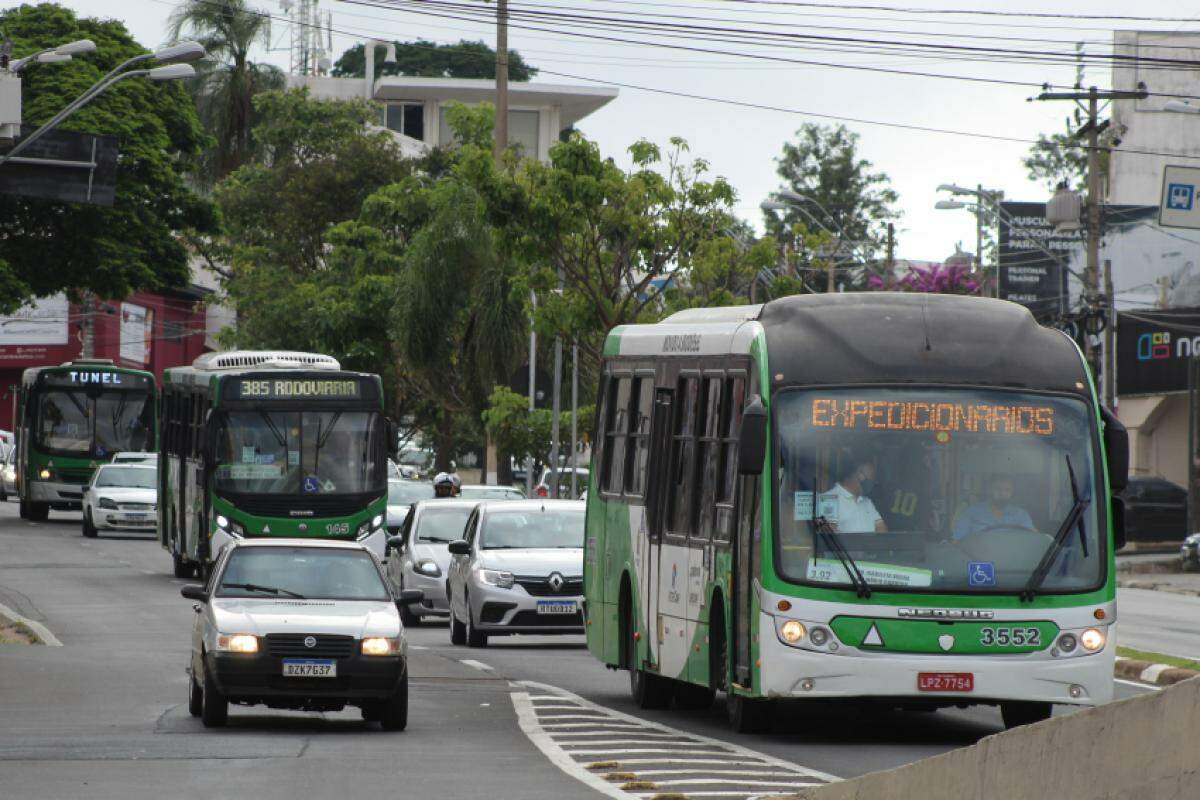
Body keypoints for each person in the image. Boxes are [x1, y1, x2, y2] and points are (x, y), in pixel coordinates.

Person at [953, 475, 1034, 540]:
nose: (1002, 493)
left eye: (1007, 490)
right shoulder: (971, 512)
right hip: (979, 557)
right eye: (997, 489)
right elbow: (958, 540)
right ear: (989, 490)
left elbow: (1030, 540)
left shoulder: (1021, 515)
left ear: (1012, 493)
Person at [824, 452, 887, 533]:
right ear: (859, 474)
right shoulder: (828, 499)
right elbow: (829, 536)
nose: (872, 483)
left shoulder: (867, 502)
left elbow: (882, 528)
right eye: (870, 478)